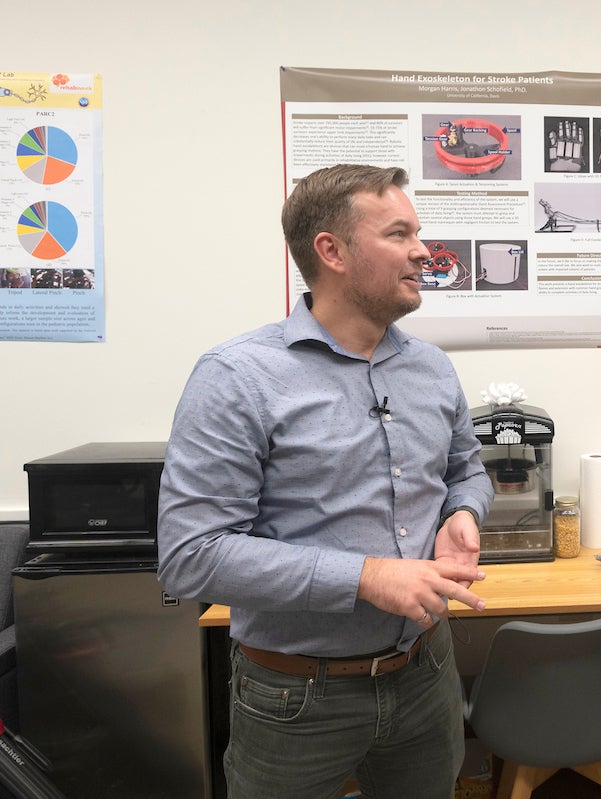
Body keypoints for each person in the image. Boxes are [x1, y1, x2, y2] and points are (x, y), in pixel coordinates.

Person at [157, 164, 493, 799]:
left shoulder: (431, 368)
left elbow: (465, 469)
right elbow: (188, 557)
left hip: (425, 673)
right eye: (399, 234)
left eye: (418, 233)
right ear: (331, 250)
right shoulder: (237, 377)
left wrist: (463, 514)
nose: (424, 251)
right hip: (294, 698)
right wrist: (368, 577)